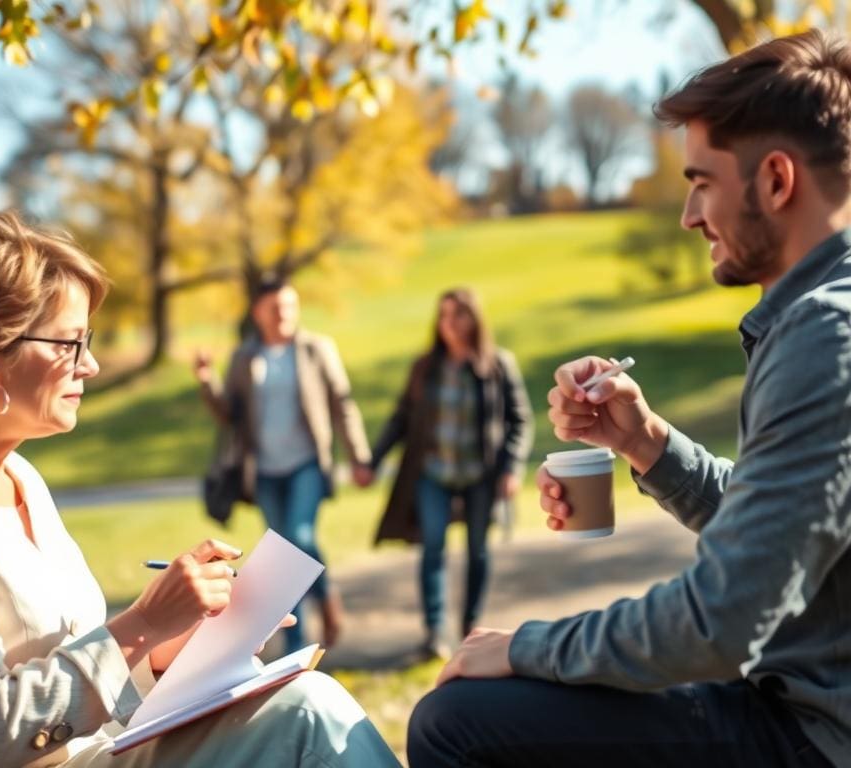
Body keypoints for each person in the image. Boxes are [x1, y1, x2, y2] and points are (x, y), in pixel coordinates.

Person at [406, 29, 851, 768]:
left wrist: (527, 647)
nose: (688, 216)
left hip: (813, 740)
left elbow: (721, 619)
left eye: (702, 181)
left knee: (456, 721)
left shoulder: (823, 336)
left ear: (776, 180)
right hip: (802, 711)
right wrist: (644, 441)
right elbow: (783, 529)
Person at [0, 211, 400, 768]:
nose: (91, 364)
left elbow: (70, 663)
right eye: (69, 343)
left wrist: (171, 648)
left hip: (99, 754)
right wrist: (143, 623)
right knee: (306, 712)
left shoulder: (17, 475)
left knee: (300, 702)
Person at [193, 278, 372, 653]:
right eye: (275, 308)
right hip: (264, 471)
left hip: (306, 462)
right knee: (285, 553)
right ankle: (298, 640)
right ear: (258, 313)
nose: (284, 315)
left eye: (290, 306)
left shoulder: (316, 349)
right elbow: (229, 414)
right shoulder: (245, 357)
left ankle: (320, 606)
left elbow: (342, 403)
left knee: (297, 539)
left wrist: (359, 455)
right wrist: (207, 380)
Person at [369, 288, 532, 659]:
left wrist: (511, 467)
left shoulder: (498, 366)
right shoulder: (426, 368)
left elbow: (520, 420)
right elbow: (401, 418)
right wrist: (374, 461)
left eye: (458, 315)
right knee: (433, 550)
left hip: (480, 475)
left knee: (477, 550)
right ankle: (434, 634)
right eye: (443, 316)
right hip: (433, 474)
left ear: (474, 319)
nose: (450, 324)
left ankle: (470, 628)